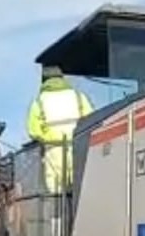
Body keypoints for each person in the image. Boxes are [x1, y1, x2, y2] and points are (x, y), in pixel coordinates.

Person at [26, 65, 94, 195]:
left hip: (54, 148)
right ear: (62, 78)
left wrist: (47, 138)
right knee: (79, 185)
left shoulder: (39, 101)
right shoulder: (79, 97)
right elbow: (91, 120)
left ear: (44, 80)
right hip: (78, 146)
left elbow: (33, 131)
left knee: (55, 191)